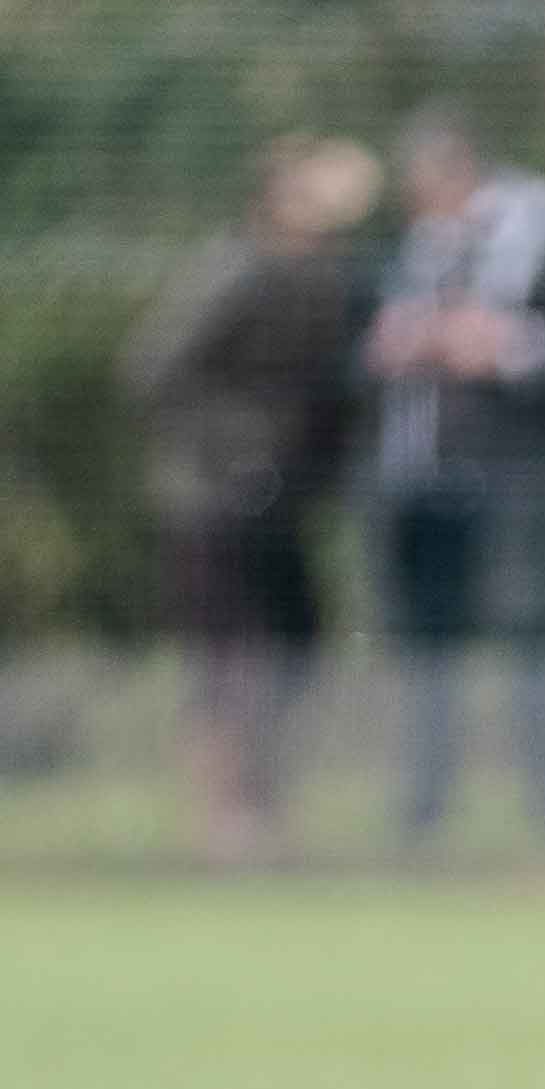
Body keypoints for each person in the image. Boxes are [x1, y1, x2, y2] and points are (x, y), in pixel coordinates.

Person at [124, 137, 381, 862]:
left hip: (280, 505)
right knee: (229, 661)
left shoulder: (327, 277)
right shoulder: (234, 270)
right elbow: (153, 367)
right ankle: (226, 826)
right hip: (212, 502)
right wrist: (236, 453)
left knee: (297, 649)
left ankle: (266, 814)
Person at [364, 117, 545, 849]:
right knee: (427, 656)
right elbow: (359, 355)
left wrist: (504, 347)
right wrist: (394, 344)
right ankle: (424, 819)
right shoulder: (411, 255)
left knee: (532, 650)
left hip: (520, 489)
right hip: (420, 488)